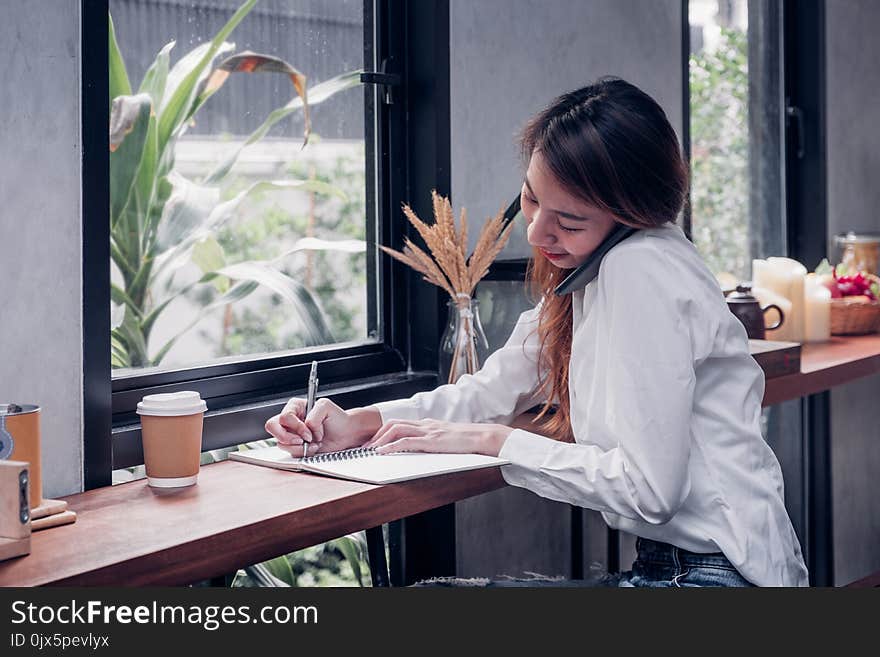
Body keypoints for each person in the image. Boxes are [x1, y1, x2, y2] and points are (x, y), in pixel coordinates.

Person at [265, 77, 809, 587]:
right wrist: (358, 423)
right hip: (683, 566)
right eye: (530, 198)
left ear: (632, 214)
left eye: (568, 221)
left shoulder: (641, 268)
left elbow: (650, 492)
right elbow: (491, 391)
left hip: (716, 574)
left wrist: (495, 441)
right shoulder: (589, 271)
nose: (535, 230)